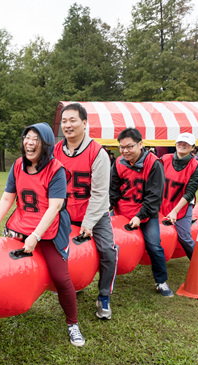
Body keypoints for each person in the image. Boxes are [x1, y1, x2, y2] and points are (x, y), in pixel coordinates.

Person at [0, 122, 86, 347]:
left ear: (46, 144)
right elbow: (7, 198)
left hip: (49, 229)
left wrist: (36, 237)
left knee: (61, 277)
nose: (29, 143)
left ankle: (73, 324)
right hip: (22, 225)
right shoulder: (18, 165)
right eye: (27, 138)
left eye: (35, 139)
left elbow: (55, 207)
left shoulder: (56, 169)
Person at [53, 103, 118, 320]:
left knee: (108, 251)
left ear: (84, 123)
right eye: (64, 121)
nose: (68, 125)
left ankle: (104, 296)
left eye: (73, 120)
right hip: (64, 214)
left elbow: (100, 194)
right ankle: (74, 283)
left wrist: (88, 223)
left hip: (94, 214)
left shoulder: (98, 153)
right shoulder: (54, 151)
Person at [109, 128, 173, 297]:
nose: (125, 151)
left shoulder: (154, 163)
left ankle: (161, 281)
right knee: (110, 246)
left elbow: (154, 196)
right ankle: (108, 282)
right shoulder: (118, 162)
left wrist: (140, 216)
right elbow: (113, 190)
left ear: (140, 144)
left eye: (129, 146)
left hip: (146, 213)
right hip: (122, 212)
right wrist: (106, 208)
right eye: (121, 147)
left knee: (153, 245)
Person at [161, 133, 198, 260]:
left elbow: (189, 193)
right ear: (175, 144)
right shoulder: (164, 159)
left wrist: (174, 211)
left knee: (184, 237)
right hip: (162, 202)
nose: (182, 145)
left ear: (193, 148)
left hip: (182, 205)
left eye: (186, 143)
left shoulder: (196, 167)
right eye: (180, 142)